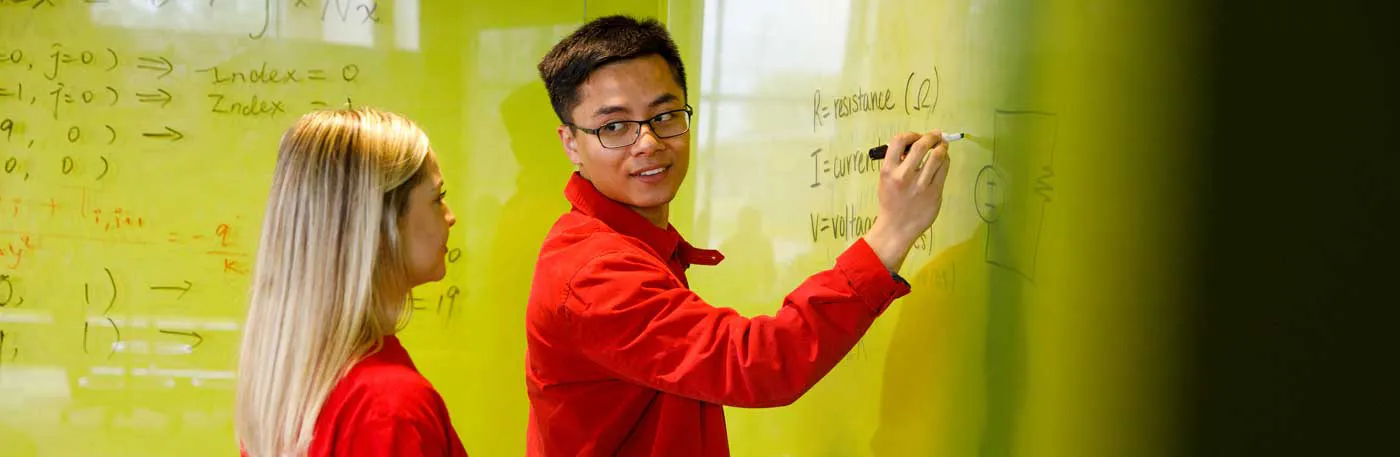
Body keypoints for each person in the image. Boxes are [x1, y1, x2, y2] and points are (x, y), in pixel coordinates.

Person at [525, 15, 953, 457]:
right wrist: (892, 232)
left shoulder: (624, 240)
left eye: (665, 114)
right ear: (571, 143)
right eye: (614, 127)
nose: (648, 142)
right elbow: (758, 364)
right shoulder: (596, 273)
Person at [234, 107, 468, 457]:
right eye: (437, 198)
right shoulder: (389, 410)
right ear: (380, 225)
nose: (450, 217)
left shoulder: (286, 385)